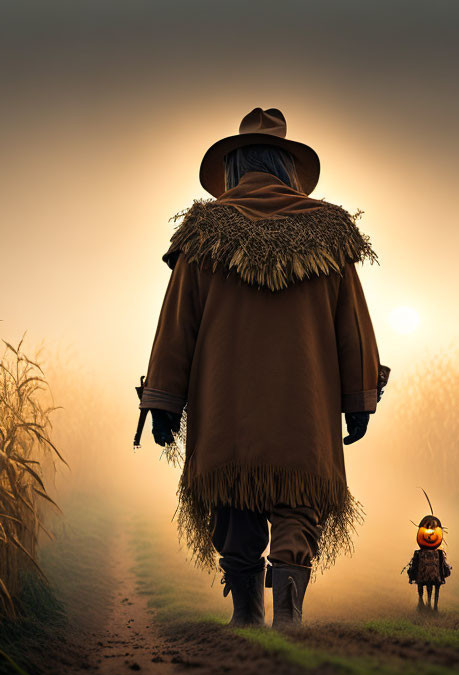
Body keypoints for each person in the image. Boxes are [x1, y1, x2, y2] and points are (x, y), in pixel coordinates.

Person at [138, 107, 389, 628]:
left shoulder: (203, 233)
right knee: (298, 502)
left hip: (228, 406)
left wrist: (163, 402)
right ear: (287, 166)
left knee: (235, 503)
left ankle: (246, 612)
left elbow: (176, 326)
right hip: (305, 405)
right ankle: (290, 610)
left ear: (233, 169)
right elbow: (354, 328)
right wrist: (358, 401)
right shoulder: (331, 231)